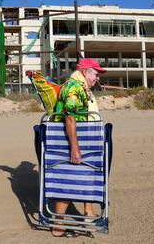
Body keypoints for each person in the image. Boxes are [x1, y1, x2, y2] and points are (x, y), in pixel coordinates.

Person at [51, 58, 106, 237]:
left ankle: (88, 214)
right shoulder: (74, 88)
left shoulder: (81, 86)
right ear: (85, 73)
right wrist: (75, 148)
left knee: (85, 175)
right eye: (96, 74)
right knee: (68, 179)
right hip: (70, 142)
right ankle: (58, 224)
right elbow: (70, 118)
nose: (97, 78)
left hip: (83, 139)